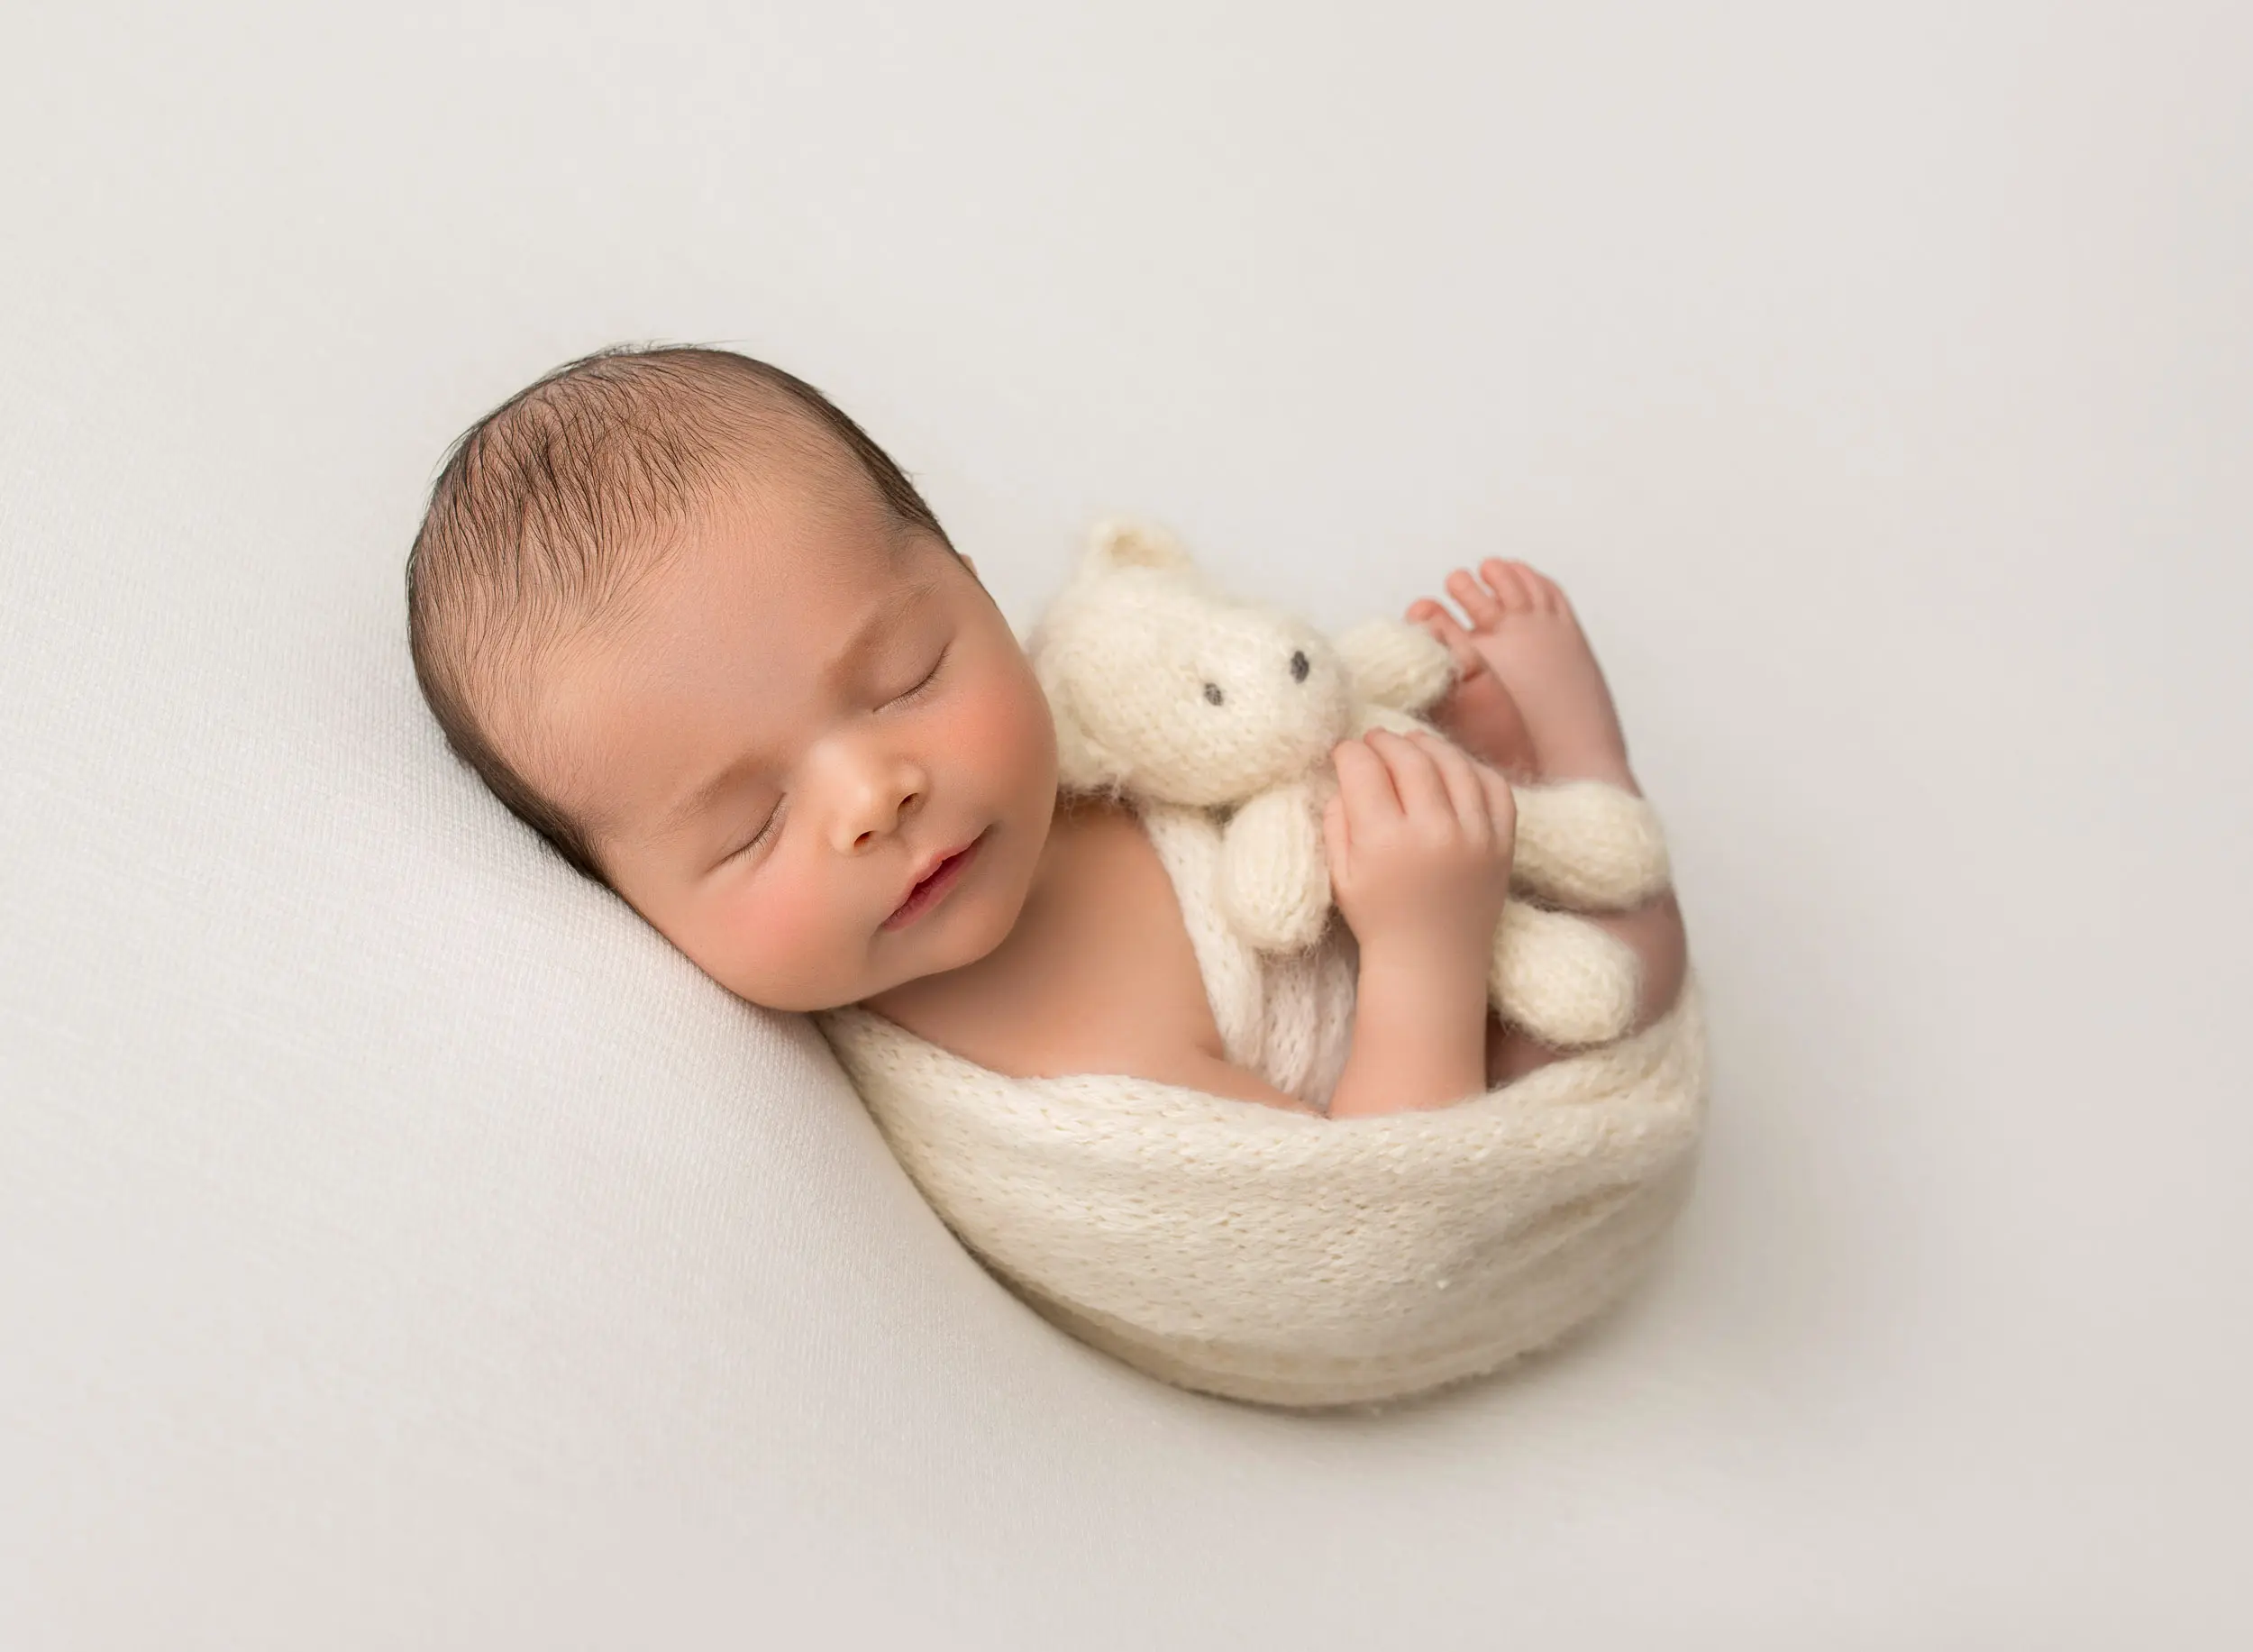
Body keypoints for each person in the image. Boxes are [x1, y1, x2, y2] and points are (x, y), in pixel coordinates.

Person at [406, 345, 1686, 1118]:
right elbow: (1399, 1211)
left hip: (1329, 873)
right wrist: (1425, 943)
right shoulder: (1070, 1070)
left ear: (970, 579)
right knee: (1604, 1010)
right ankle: (1586, 768)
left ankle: (1531, 811)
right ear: (630, 904)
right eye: (750, 827)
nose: (875, 793)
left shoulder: (1046, 740)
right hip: (1452, 1047)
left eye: (905, 674)